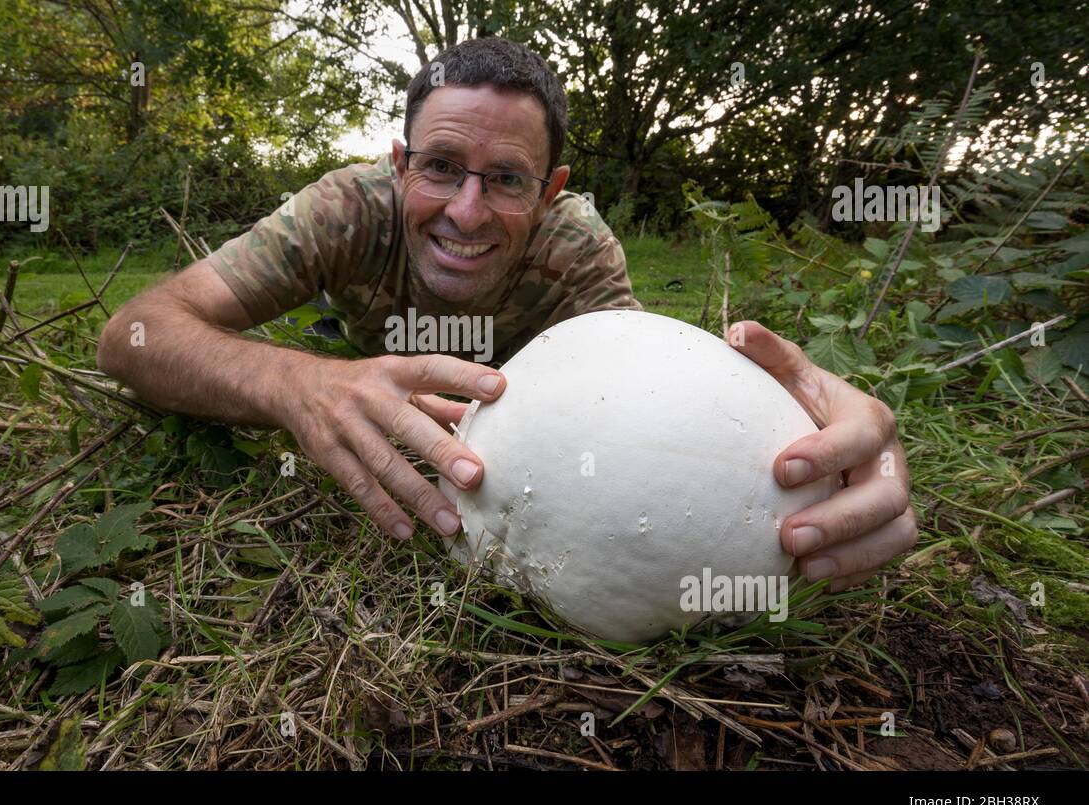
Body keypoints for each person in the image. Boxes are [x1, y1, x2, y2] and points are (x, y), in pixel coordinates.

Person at [97, 36, 917, 593]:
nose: (467, 210)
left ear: (551, 191)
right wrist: (300, 386)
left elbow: (664, 414)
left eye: (507, 180)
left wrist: (813, 437)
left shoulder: (577, 249)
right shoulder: (345, 209)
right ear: (397, 164)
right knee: (313, 348)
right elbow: (134, 334)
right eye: (441, 167)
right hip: (357, 352)